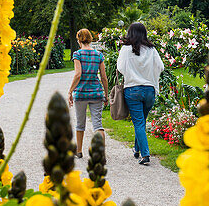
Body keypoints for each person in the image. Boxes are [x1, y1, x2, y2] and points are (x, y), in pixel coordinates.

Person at [116, 22, 164, 166]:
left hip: (132, 89)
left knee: (138, 122)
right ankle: (136, 149)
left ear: (130, 33)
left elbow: (120, 67)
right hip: (149, 90)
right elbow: (160, 67)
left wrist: (132, 74)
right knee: (141, 121)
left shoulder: (125, 49)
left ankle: (145, 154)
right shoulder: (151, 49)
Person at [68, 28, 108, 158]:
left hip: (81, 93)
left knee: (80, 124)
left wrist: (70, 91)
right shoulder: (98, 55)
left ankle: (79, 151)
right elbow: (104, 77)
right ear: (90, 39)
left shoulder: (77, 54)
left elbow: (78, 74)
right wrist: (106, 94)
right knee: (98, 124)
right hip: (96, 93)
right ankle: (101, 153)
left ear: (79, 40)